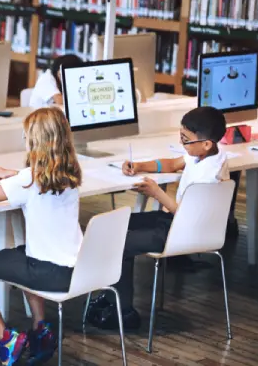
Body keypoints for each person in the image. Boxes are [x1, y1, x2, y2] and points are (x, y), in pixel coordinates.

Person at [0, 107, 83, 365]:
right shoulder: (70, 176)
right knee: (23, 253)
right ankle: (41, 330)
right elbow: (35, 183)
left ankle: (5, 337)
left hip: (47, 273)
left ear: (34, 143)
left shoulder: (28, 179)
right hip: (79, 270)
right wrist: (15, 177)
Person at [86, 106, 230, 331]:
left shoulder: (210, 175)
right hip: (176, 223)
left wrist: (157, 193)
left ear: (206, 144)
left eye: (186, 140)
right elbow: (172, 164)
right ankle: (110, 296)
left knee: (119, 242)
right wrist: (140, 166)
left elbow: (188, 216)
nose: (183, 145)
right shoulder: (207, 155)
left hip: (185, 231)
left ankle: (123, 312)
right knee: (117, 226)